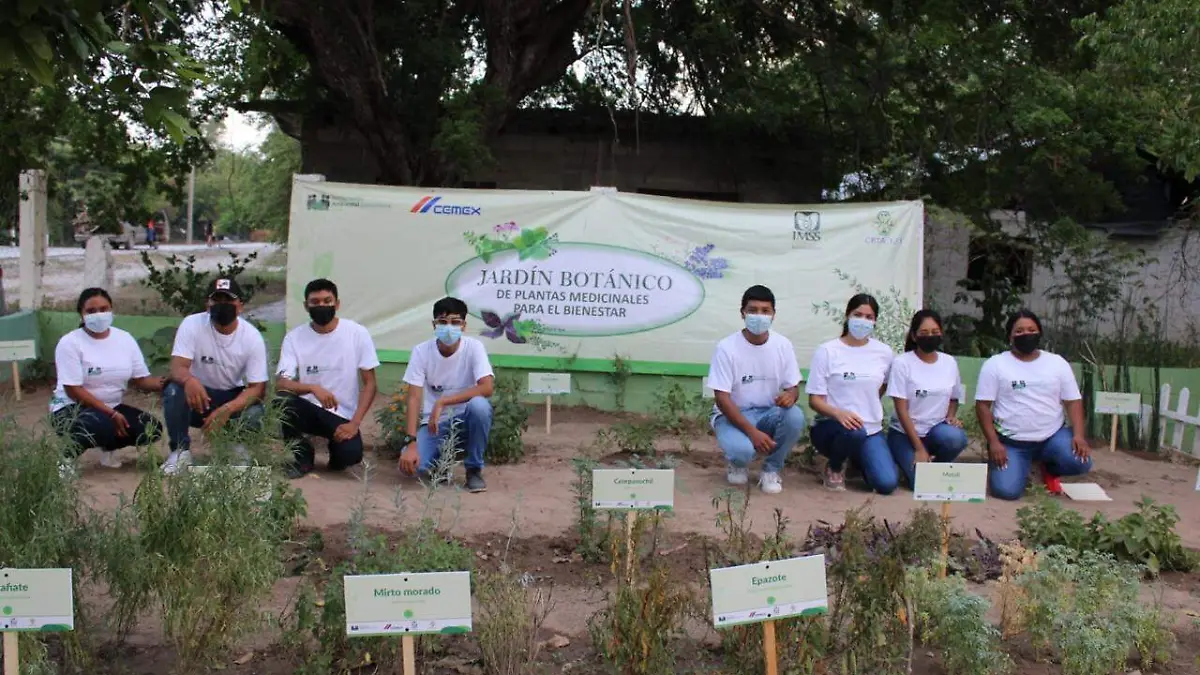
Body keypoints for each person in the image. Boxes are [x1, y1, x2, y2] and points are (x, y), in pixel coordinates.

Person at [975, 309, 1092, 500]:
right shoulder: (995, 365)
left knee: (1080, 462)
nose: (1026, 334)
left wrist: (1079, 435)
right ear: (1010, 336)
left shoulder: (1057, 363)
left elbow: (1073, 402)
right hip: (1011, 442)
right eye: (1019, 331)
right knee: (1007, 491)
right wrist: (994, 443)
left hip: (1052, 437)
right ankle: (1016, 466)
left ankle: (1048, 469)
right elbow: (982, 406)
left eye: (1031, 330)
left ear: (1039, 333)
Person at [160, 277, 269, 474]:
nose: (222, 305)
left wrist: (227, 409)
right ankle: (180, 452)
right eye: (216, 300)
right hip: (198, 398)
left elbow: (258, 388)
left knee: (255, 411)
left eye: (229, 300)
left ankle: (235, 449)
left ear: (240, 306)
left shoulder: (252, 337)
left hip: (230, 397)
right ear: (207, 304)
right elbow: (177, 367)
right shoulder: (192, 324)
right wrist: (189, 379)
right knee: (174, 390)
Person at [50, 288, 166, 469]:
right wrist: (110, 413)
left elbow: (141, 379)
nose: (99, 314)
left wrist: (167, 382)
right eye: (91, 311)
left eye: (104, 309)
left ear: (112, 310)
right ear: (81, 314)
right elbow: (73, 390)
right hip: (71, 409)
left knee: (151, 428)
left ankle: (108, 450)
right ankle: (66, 460)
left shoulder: (124, 339)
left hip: (111, 407)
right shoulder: (70, 343)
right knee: (101, 424)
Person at [705, 285, 805, 494]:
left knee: (794, 416)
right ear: (742, 313)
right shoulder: (726, 347)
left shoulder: (782, 345)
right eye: (753, 310)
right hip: (732, 414)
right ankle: (738, 462)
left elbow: (793, 387)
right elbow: (722, 399)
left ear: (773, 315)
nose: (759, 316)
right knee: (742, 451)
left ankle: (771, 470)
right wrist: (752, 433)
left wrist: (790, 396)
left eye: (765, 311)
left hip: (768, 412)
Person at [275, 279, 379, 479]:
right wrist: (312, 388)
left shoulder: (357, 333)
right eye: (315, 302)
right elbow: (281, 382)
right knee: (282, 401)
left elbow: (370, 383)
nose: (321, 306)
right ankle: (302, 458)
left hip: (342, 416)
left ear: (337, 304)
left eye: (327, 301)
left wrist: (354, 423)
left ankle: (336, 451)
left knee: (349, 456)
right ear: (306, 306)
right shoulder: (294, 337)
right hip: (308, 409)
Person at [396, 297, 494, 493]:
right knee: (414, 467)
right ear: (434, 325)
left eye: (455, 322)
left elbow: (486, 387)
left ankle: (473, 470)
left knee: (480, 407)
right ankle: (442, 462)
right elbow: (414, 397)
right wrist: (411, 442)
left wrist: (443, 401)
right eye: (442, 322)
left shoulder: (474, 347)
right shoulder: (421, 351)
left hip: (466, 420)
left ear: (464, 326)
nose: (449, 327)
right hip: (434, 425)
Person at [807, 293, 896, 493]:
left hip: (871, 429)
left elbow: (882, 386)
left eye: (869, 317)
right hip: (832, 426)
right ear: (847, 316)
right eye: (858, 315)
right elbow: (814, 400)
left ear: (875, 321)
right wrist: (839, 413)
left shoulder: (884, 352)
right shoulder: (828, 351)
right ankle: (835, 466)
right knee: (854, 432)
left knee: (886, 484)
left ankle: (857, 459)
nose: (863, 321)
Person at [886, 309, 969, 489]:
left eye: (934, 332)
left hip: (936, 432)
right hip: (904, 435)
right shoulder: (902, 363)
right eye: (924, 333)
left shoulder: (949, 362)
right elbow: (901, 410)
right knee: (922, 484)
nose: (930, 336)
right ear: (914, 336)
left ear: (941, 334)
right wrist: (919, 448)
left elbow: (954, 397)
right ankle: (912, 463)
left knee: (956, 437)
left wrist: (951, 416)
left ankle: (934, 466)